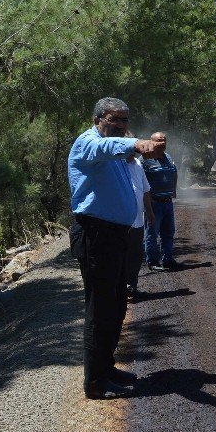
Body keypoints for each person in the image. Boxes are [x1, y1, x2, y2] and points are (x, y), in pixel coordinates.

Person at [68, 97, 164, 400]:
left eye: (125, 120)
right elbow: (107, 148)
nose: (121, 125)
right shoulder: (89, 143)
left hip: (116, 235)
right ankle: (95, 383)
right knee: (100, 309)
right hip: (96, 236)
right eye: (115, 120)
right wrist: (139, 144)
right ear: (98, 119)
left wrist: (142, 147)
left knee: (117, 303)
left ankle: (107, 368)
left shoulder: (117, 149)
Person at [142, 131, 178, 271]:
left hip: (167, 202)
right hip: (154, 203)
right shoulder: (145, 160)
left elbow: (174, 172)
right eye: (159, 141)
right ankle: (153, 261)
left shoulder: (168, 157)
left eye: (164, 141)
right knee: (152, 233)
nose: (162, 143)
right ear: (151, 142)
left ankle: (168, 259)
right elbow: (140, 181)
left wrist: (174, 189)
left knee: (168, 232)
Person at [124, 132, 153, 300]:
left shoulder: (137, 164)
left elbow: (146, 190)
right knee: (121, 256)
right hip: (121, 222)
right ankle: (120, 290)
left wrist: (149, 212)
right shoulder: (116, 165)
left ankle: (131, 287)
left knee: (136, 255)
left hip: (138, 221)